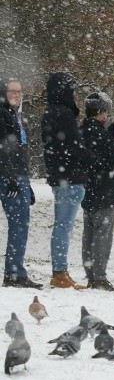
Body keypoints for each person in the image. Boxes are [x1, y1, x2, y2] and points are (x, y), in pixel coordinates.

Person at [41, 72, 94, 289]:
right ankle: (59, 272)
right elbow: (72, 146)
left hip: (60, 175)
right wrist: (90, 158)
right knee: (64, 226)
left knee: (62, 225)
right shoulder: (63, 114)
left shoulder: (50, 112)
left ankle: (61, 271)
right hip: (69, 177)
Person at [80, 92, 114, 291]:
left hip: (87, 188)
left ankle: (90, 274)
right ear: (102, 112)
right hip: (105, 189)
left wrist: (111, 130)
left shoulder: (83, 131)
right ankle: (100, 277)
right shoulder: (101, 135)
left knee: (89, 234)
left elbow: (101, 148)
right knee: (102, 235)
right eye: (106, 113)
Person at [0, 79, 41, 288]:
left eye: (19, 91)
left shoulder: (16, 116)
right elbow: (4, 150)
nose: (17, 94)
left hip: (19, 176)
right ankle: (14, 273)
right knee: (18, 224)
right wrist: (11, 179)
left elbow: (19, 151)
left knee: (21, 223)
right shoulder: (3, 115)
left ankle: (16, 271)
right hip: (9, 177)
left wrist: (26, 183)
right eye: (12, 91)